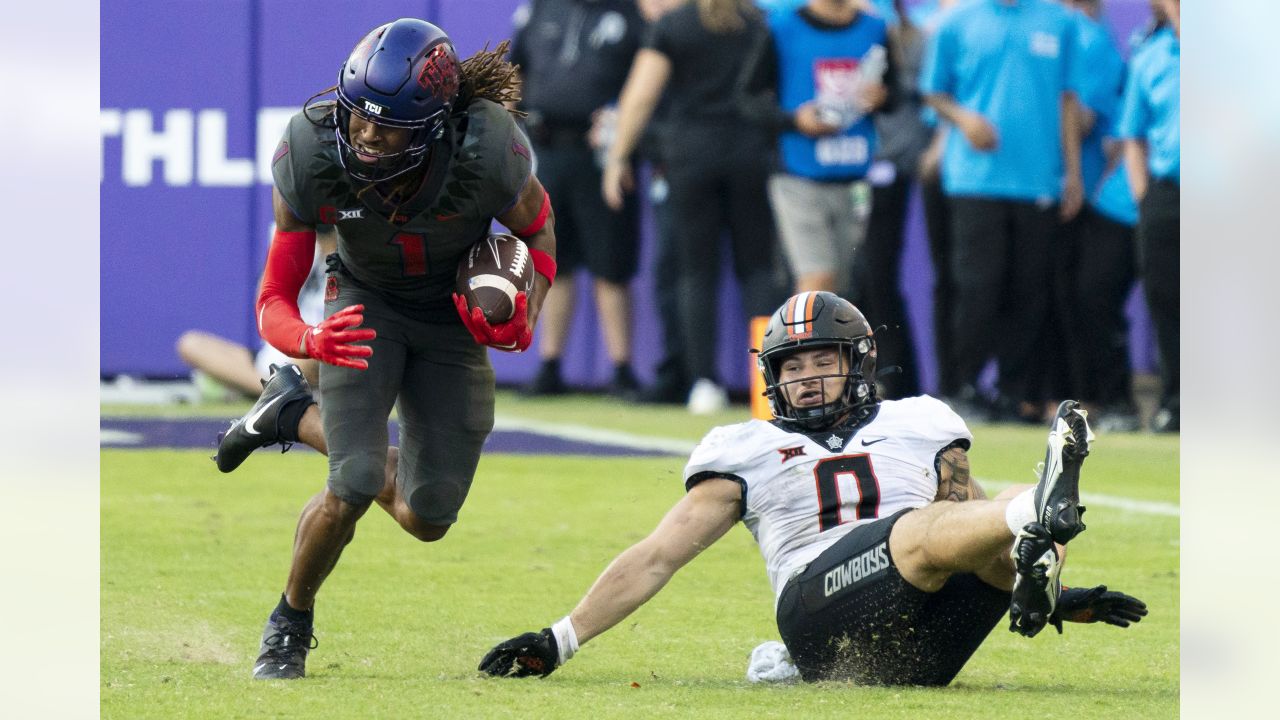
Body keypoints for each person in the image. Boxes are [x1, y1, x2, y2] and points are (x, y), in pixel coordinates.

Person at [478, 292, 1146, 685]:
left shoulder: (923, 421)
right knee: (922, 531)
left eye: (822, 361)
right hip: (820, 620)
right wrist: (560, 637)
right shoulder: (745, 448)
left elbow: (967, 530)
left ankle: (1039, 525)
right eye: (791, 366)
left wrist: (1052, 595)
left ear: (859, 362)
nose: (804, 378)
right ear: (772, 375)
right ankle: (1039, 505)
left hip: (924, 654)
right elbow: (658, 554)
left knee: (987, 521)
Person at [220, 19, 558, 680]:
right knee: (350, 481)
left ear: (433, 126)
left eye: (388, 127)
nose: (366, 136)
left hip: (451, 317)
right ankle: (290, 621)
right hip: (363, 304)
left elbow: (540, 232)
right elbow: (273, 295)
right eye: (359, 120)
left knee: (427, 517)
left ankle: (291, 414)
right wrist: (308, 339)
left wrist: (528, 311)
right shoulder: (312, 147)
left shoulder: (487, 149)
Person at [602, 0, 787, 414]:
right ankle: (770, 385)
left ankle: (703, 382)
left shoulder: (676, 24)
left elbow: (641, 94)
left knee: (695, 271)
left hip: (691, 156)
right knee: (757, 269)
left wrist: (617, 157)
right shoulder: (758, 22)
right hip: (751, 154)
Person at [920, 0, 1086, 423]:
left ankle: (1016, 393)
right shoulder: (957, 21)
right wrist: (964, 119)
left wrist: (1072, 172)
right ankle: (963, 388)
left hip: (1038, 179)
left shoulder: (1059, 21)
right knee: (977, 286)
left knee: (1029, 291)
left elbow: (1067, 100)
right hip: (974, 179)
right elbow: (933, 91)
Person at [509, 0, 644, 398]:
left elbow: (648, 80)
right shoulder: (540, 10)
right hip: (546, 146)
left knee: (612, 264)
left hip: (604, 152)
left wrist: (625, 131)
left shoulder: (628, 13)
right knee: (554, 260)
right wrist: (504, 127)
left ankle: (621, 368)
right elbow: (515, 71)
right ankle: (550, 363)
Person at [737, 0, 897, 298]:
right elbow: (747, 98)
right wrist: (795, 119)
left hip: (855, 177)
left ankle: (823, 345)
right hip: (798, 174)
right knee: (817, 279)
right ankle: (805, 344)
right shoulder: (781, 27)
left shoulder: (874, 28)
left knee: (845, 289)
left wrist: (881, 97)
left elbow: (895, 94)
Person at [176, 228, 334, 399]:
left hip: (312, 353)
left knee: (317, 353)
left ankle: (273, 393)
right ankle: (277, 392)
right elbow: (266, 303)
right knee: (190, 343)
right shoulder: (297, 244)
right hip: (272, 357)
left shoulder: (348, 256)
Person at [1118, 0, 1179, 433]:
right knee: (1167, 299)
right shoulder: (1152, 55)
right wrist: (1144, 195)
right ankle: (1176, 402)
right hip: (1167, 191)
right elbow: (1133, 135)